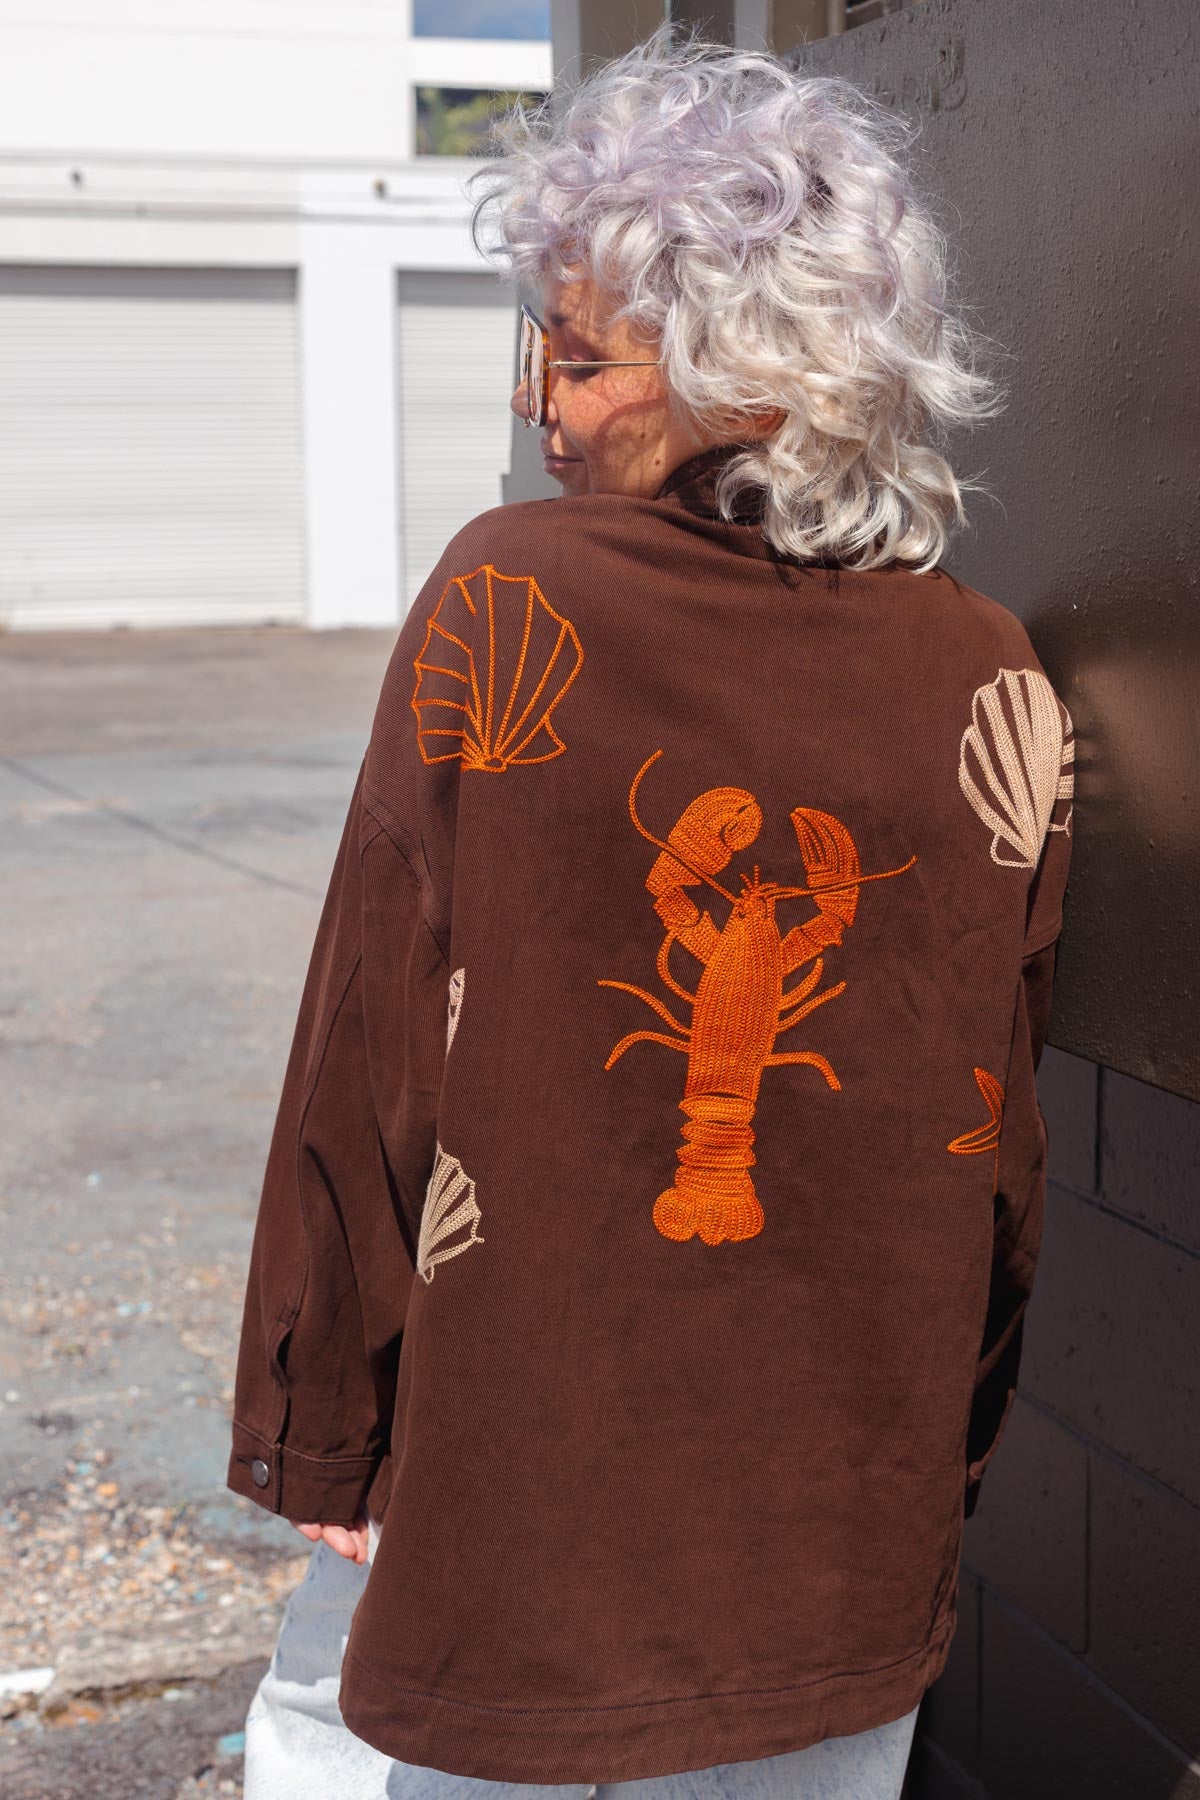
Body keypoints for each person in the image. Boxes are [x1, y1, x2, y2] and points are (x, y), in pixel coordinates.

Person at [227, 22, 1075, 1798]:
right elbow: (996, 1138)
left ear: (742, 376)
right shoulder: (990, 668)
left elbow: (373, 1034)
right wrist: (946, 1457)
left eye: (575, 355)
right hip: (837, 1517)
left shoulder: (506, 592)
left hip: (508, 1478)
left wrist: (322, 1429)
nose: (537, 401)